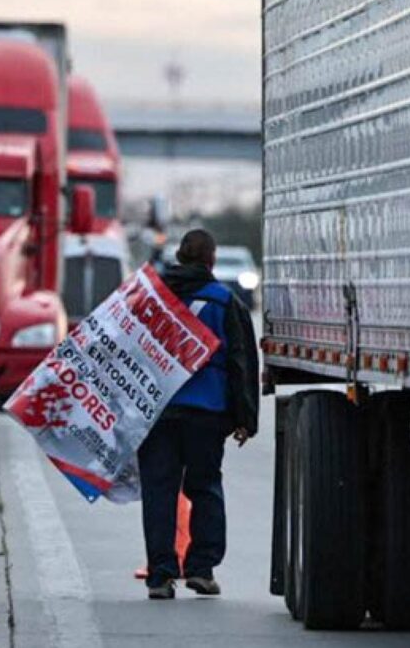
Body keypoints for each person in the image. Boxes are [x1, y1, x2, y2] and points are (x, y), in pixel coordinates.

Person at [139, 229, 259, 599]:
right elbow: (241, 363)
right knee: (204, 486)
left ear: (178, 256)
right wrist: (245, 418)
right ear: (211, 260)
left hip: (156, 411)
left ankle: (160, 576)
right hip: (206, 413)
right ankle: (201, 569)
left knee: (159, 490)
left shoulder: (151, 296)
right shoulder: (225, 302)